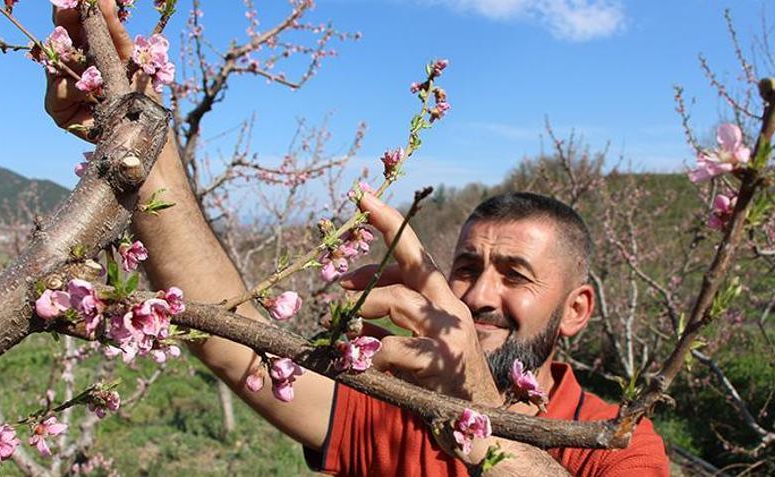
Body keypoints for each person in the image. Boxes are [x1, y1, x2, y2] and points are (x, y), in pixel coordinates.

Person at [46, 2, 670, 475]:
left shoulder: (613, 442)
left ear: (577, 308)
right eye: (466, 266)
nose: (479, 294)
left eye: (515, 274)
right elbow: (233, 345)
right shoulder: (393, 399)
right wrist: (138, 136)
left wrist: (475, 404)